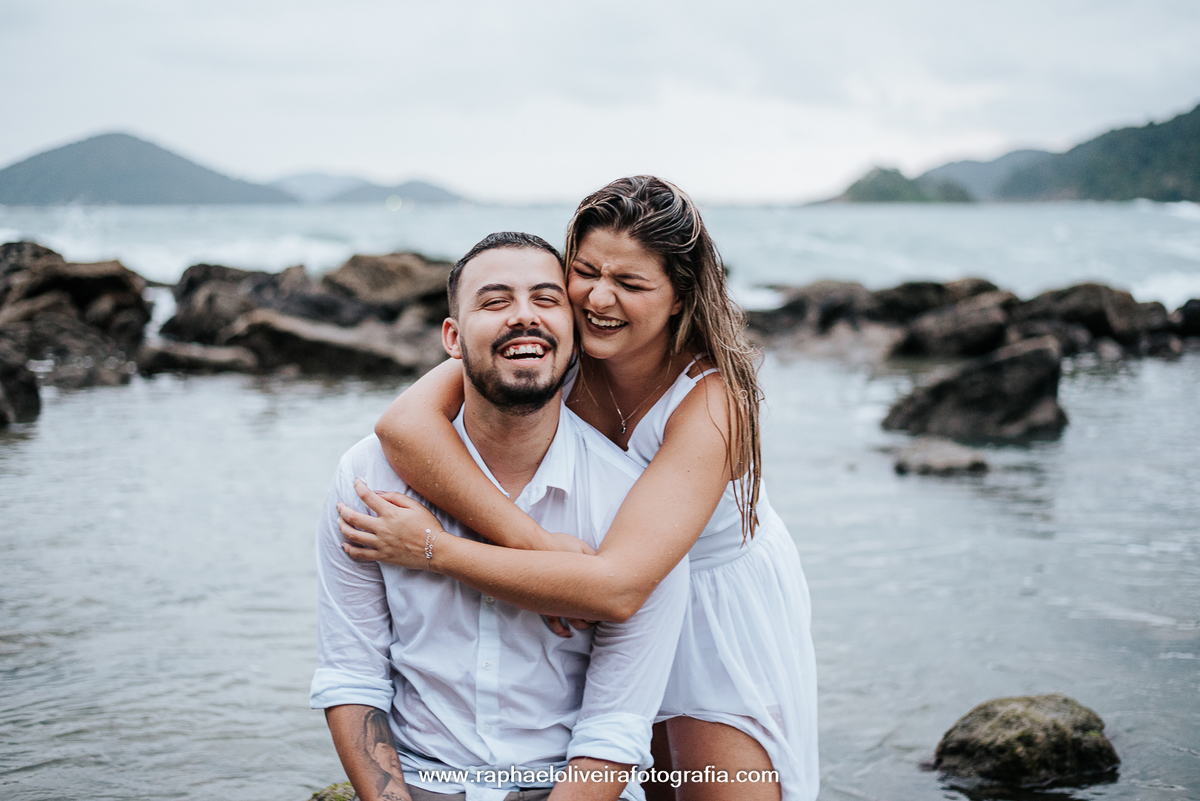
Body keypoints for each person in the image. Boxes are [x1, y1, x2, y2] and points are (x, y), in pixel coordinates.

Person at [339, 177, 819, 801]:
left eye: (631, 284)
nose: (599, 297)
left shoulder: (713, 401)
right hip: (575, 579)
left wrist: (434, 548)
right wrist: (531, 539)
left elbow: (618, 587)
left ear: (679, 298)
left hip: (707, 605)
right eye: (586, 271)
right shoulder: (553, 346)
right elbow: (402, 426)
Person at [314, 231, 689, 801]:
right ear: (453, 337)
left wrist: (434, 549)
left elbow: (615, 728)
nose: (523, 317)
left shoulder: (632, 505)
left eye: (546, 299)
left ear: (573, 332)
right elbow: (353, 677)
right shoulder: (370, 478)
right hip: (420, 780)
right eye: (494, 302)